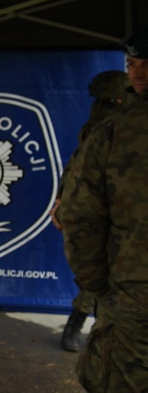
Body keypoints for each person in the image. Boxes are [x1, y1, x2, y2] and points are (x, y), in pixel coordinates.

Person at [56, 25, 148, 393]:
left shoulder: (120, 128)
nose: (136, 69)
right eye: (132, 60)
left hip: (135, 294)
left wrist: (99, 284)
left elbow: (83, 216)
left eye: (141, 61)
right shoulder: (112, 123)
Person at [55, 69, 130, 351]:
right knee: (97, 274)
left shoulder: (126, 124)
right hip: (101, 212)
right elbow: (78, 166)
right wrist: (64, 199)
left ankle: (90, 328)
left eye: (109, 101)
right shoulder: (98, 125)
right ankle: (79, 324)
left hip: (122, 213)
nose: (103, 106)